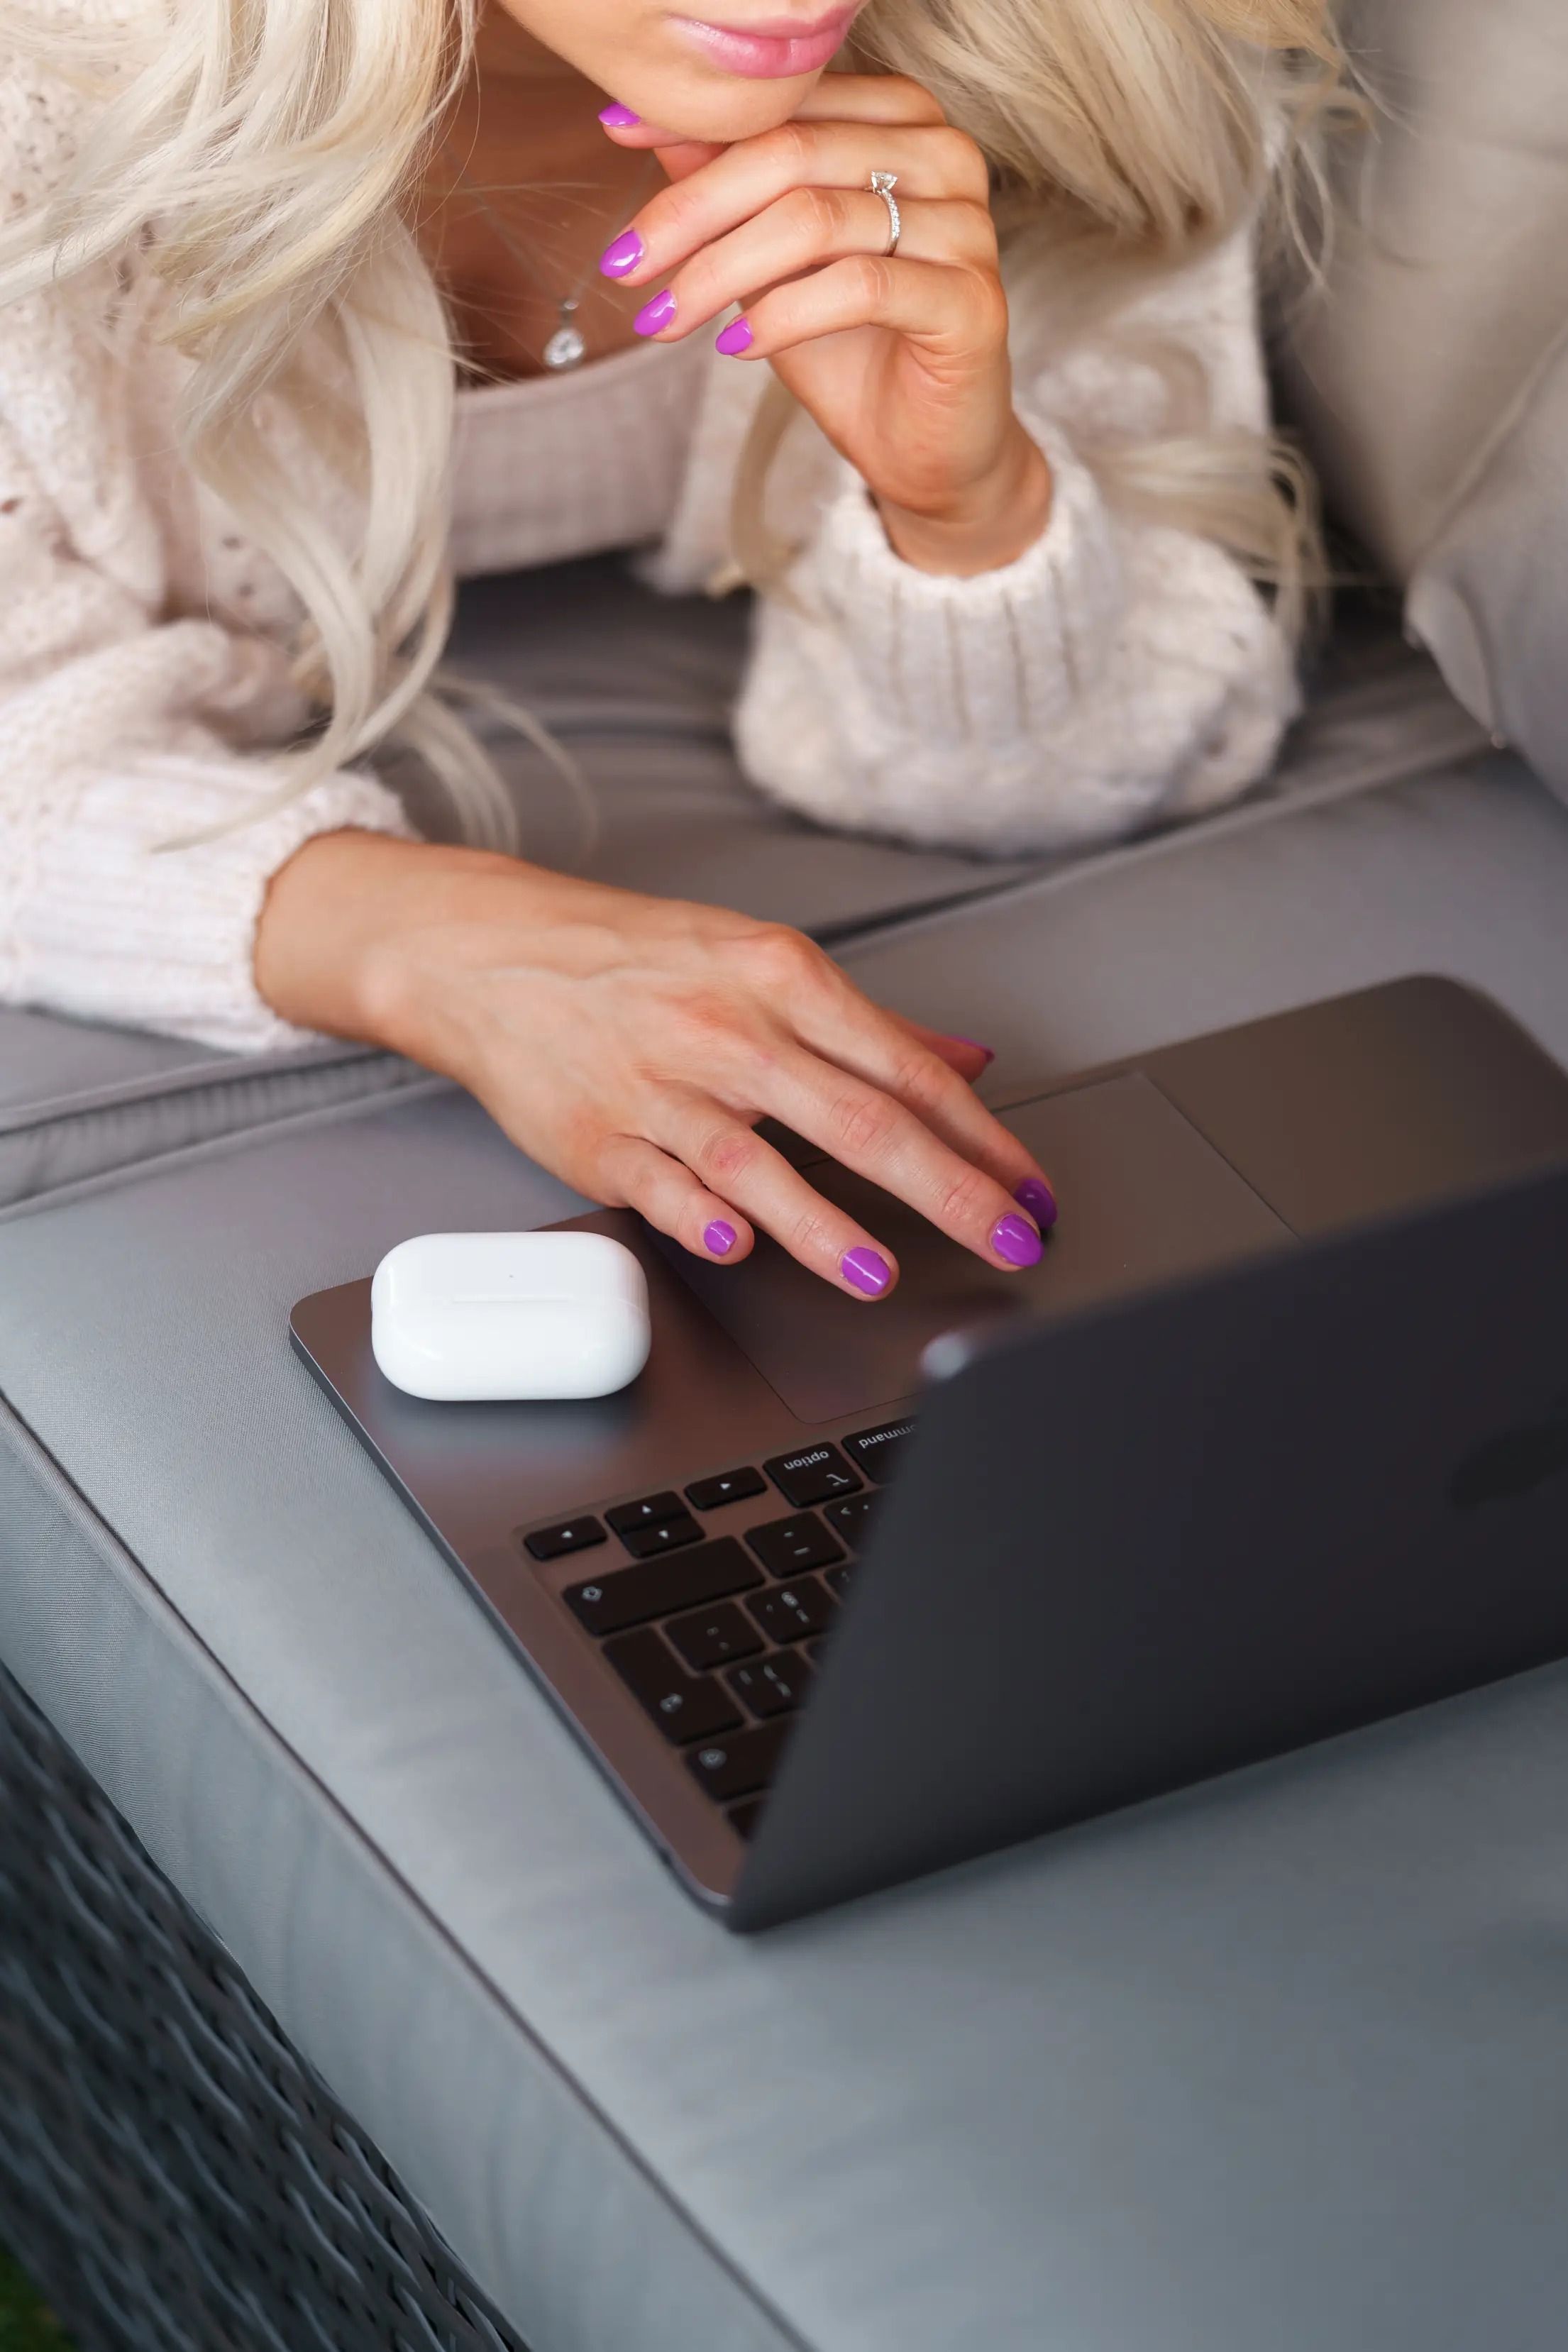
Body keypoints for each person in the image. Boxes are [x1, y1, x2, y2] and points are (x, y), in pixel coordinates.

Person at [0, 0, 1339, 1298]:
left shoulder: (1055, 52)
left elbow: (1077, 764)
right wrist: (428, 944)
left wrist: (967, 509)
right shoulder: (40, 94)